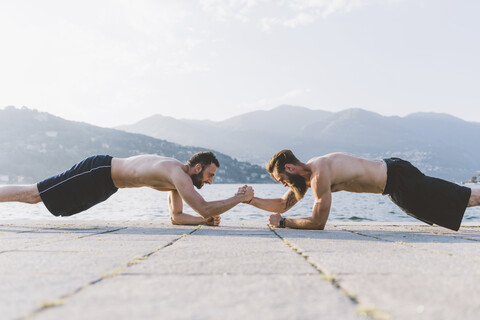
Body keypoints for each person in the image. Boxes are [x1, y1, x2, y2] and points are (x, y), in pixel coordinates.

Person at [245, 149, 480, 231]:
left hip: (399, 178)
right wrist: (248, 200)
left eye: (281, 180)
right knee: (454, 205)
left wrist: (284, 223)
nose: (283, 185)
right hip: (394, 187)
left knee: (464, 198)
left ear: (290, 168)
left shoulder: (320, 173)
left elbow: (318, 223)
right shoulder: (308, 178)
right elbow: (282, 204)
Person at [0, 152, 254, 226]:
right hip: (98, 170)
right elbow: (204, 207)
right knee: (35, 195)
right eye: (210, 175)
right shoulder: (177, 173)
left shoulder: (177, 180)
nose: (210, 181)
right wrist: (239, 198)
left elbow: (176, 217)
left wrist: (203, 222)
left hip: (105, 186)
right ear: (198, 168)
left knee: (57, 208)